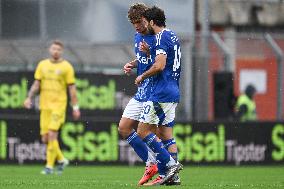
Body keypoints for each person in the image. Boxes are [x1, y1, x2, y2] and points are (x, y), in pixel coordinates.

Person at [135, 6, 183, 186]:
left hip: (161, 92)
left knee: (142, 131)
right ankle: (174, 177)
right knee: (166, 134)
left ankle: (171, 165)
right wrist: (149, 53)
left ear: (152, 22)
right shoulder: (172, 35)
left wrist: (142, 75)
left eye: (147, 22)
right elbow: (167, 59)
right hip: (173, 91)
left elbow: (160, 65)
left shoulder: (160, 37)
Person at [23, 40, 81, 175]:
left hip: (59, 106)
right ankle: (61, 159)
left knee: (52, 135)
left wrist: (75, 107)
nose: (56, 51)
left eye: (58, 49)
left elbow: (72, 89)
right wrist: (29, 97)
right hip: (44, 106)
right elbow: (36, 85)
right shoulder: (42, 65)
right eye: (54, 49)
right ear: (50, 50)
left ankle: (49, 166)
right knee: (45, 138)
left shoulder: (67, 67)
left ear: (62, 51)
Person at [118, 3, 158, 186]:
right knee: (124, 128)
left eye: (140, 22)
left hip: (155, 91)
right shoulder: (137, 35)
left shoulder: (157, 36)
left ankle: (166, 167)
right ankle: (151, 163)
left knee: (151, 133)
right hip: (141, 91)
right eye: (133, 22)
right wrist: (132, 64)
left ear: (148, 20)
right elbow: (141, 59)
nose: (137, 26)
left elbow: (162, 63)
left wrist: (150, 53)